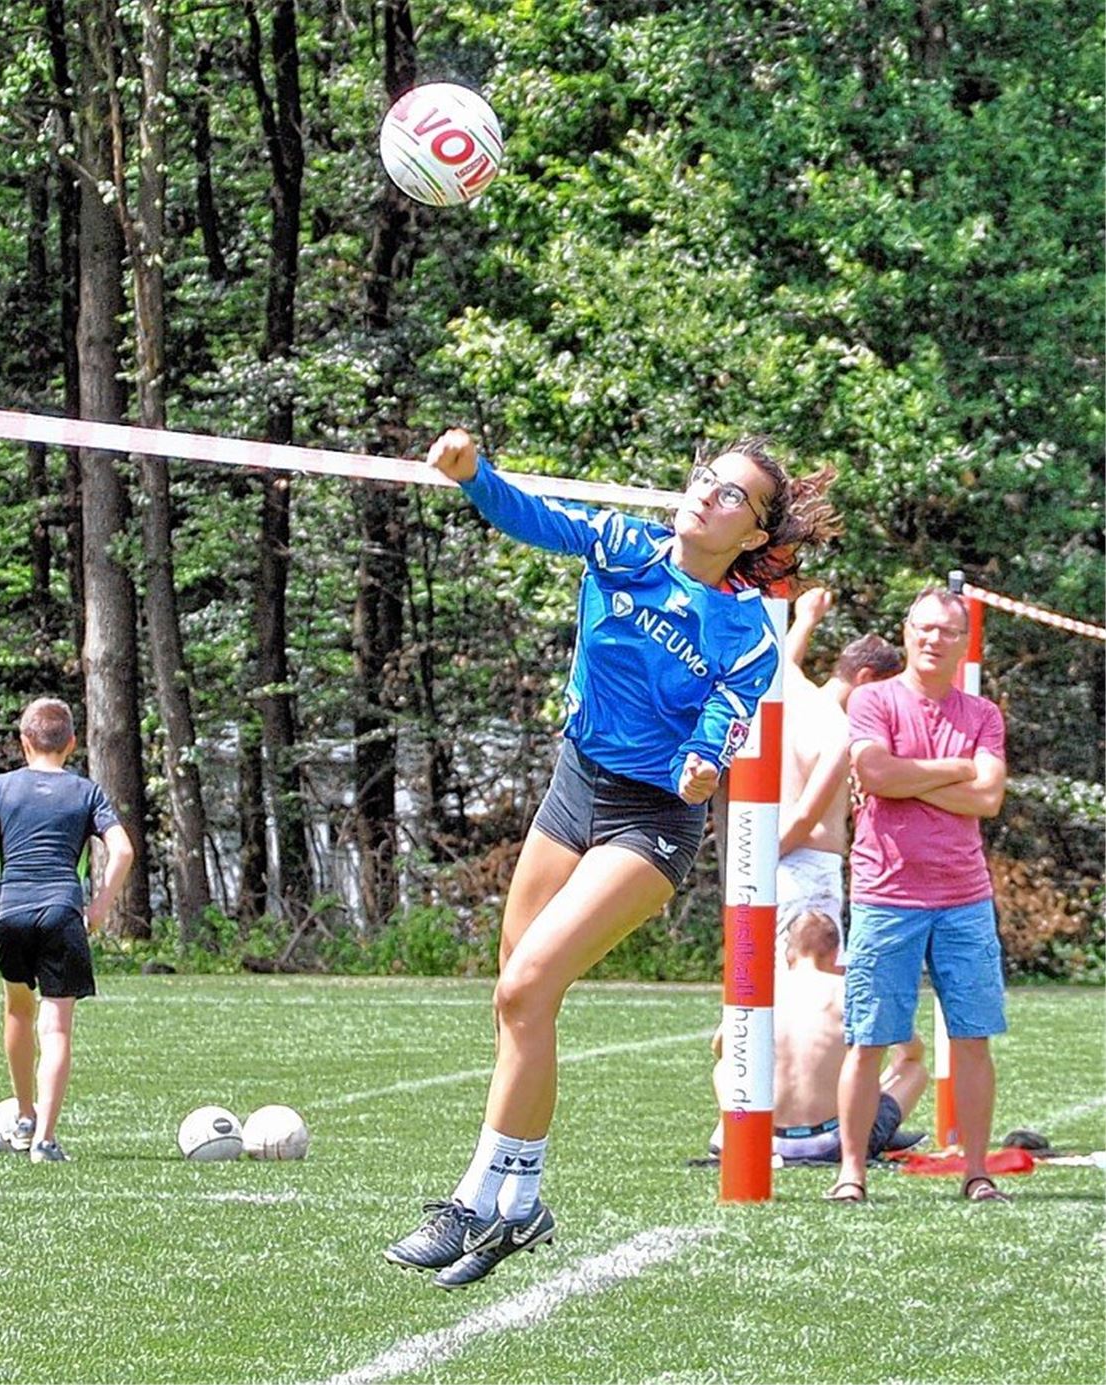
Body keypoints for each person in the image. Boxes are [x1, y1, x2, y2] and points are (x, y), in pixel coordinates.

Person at [383, 427, 838, 1287]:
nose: (707, 491)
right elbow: (533, 516)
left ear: (753, 535)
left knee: (527, 989)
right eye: (706, 475)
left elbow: (727, 722)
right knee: (517, 997)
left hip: (653, 819)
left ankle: (478, 1199)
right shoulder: (623, 546)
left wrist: (709, 759)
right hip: (574, 786)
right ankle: (521, 1202)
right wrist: (475, 475)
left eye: (732, 493)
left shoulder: (746, 633)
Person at [827, 587, 1008, 1204]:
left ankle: (977, 1171)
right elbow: (874, 773)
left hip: (965, 896)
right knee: (869, 1037)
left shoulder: (982, 715)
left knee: (973, 1036)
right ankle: (851, 1172)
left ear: (963, 644)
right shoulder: (873, 698)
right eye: (924, 628)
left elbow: (988, 799)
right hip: (886, 893)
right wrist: (955, 768)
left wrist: (910, 779)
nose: (934, 640)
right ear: (906, 632)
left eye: (948, 632)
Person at [0, 697, 134, 1164]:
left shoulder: (0, 788)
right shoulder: (86, 791)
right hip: (62, 911)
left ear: (23, 742)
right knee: (56, 1027)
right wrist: (99, 906)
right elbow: (122, 851)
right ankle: (45, 1139)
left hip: (12, 911)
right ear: (72, 743)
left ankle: (24, 1114)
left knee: (17, 1011)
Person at [709, 911, 928, 1163]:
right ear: (836, 954)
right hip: (835, 1143)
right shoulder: (847, 991)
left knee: (725, 1067)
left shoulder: (760, 988)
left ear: (787, 952)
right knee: (913, 1070)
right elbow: (913, 1051)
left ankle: (732, 1133)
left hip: (763, 1138)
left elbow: (721, 1047)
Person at [776, 587, 903, 962]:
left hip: (777, 858)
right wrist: (764, 861)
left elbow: (780, 661)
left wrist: (806, 619)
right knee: (816, 988)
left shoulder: (795, 696)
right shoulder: (841, 730)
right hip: (807, 869)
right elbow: (805, 815)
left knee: (771, 983)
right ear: (865, 678)